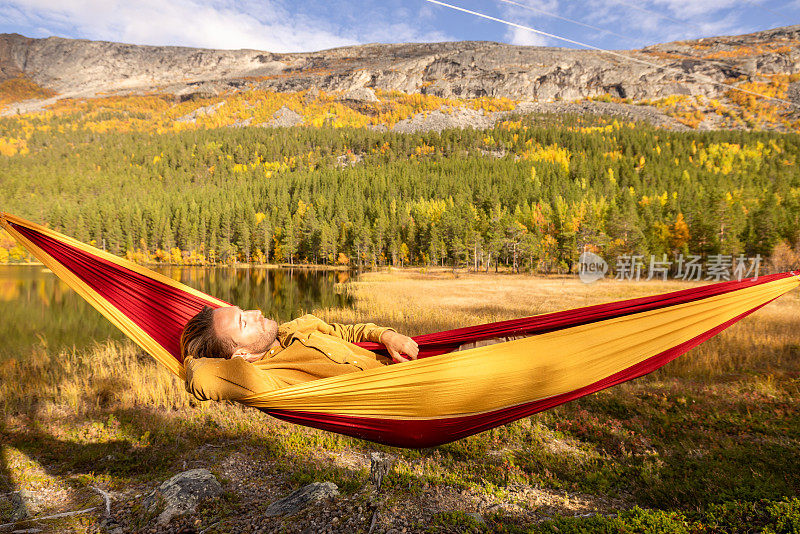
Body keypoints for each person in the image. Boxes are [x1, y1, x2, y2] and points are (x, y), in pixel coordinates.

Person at [180, 306, 419, 402]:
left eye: (244, 311)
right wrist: (188, 357)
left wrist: (386, 336)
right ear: (241, 354)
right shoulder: (267, 378)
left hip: (413, 369)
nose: (256, 312)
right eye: (244, 322)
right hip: (404, 395)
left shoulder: (300, 326)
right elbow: (201, 377)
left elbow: (347, 332)